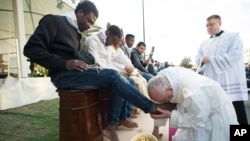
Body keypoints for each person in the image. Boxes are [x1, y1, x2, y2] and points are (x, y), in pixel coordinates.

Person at [23, 1, 168, 141]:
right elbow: (30, 49)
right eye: (89, 20)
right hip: (62, 75)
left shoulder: (78, 34)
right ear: (79, 12)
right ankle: (151, 107)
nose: (89, 25)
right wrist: (65, 63)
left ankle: (112, 125)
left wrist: (85, 60)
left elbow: (86, 57)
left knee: (121, 79)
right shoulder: (53, 21)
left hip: (75, 73)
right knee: (113, 76)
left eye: (92, 23)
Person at [148, 67, 239, 141]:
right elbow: (161, 103)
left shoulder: (194, 94)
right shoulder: (162, 78)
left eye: (164, 100)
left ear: (170, 89)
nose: (163, 103)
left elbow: (198, 121)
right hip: (197, 109)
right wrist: (156, 129)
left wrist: (171, 115)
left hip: (212, 113)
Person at [195, 14, 248, 125]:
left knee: (237, 110)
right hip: (212, 81)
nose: (209, 27)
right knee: (217, 113)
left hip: (230, 80)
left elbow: (235, 55)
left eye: (211, 24)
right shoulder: (204, 43)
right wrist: (202, 60)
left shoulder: (233, 37)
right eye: (207, 25)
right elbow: (198, 58)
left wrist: (211, 59)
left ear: (220, 23)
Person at [83, 25, 138, 128]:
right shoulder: (93, 41)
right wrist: (118, 73)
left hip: (106, 72)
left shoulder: (106, 43)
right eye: (114, 40)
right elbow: (96, 63)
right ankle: (113, 121)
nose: (113, 44)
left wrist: (120, 71)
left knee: (129, 81)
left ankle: (123, 116)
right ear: (108, 33)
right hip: (94, 72)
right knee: (119, 82)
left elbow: (108, 63)